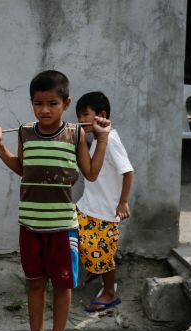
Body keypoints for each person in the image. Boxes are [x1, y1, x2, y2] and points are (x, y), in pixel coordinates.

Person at [0, 70, 111, 331]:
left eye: (52, 103)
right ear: (32, 104)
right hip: (30, 225)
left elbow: (90, 173)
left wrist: (101, 139)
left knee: (63, 283)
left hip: (63, 227)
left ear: (66, 104)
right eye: (38, 104)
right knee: (35, 282)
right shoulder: (26, 132)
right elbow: (22, 169)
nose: (44, 110)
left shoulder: (76, 134)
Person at [74, 92, 134, 312]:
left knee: (104, 255)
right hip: (88, 205)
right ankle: (94, 269)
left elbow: (128, 172)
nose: (81, 121)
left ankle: (109, 292)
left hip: (105, 211)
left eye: (84, 115)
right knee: (76, 241)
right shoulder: (99, 140)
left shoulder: (112, 141)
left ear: (101, 115)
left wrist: (123, 203)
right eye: (78, 116)